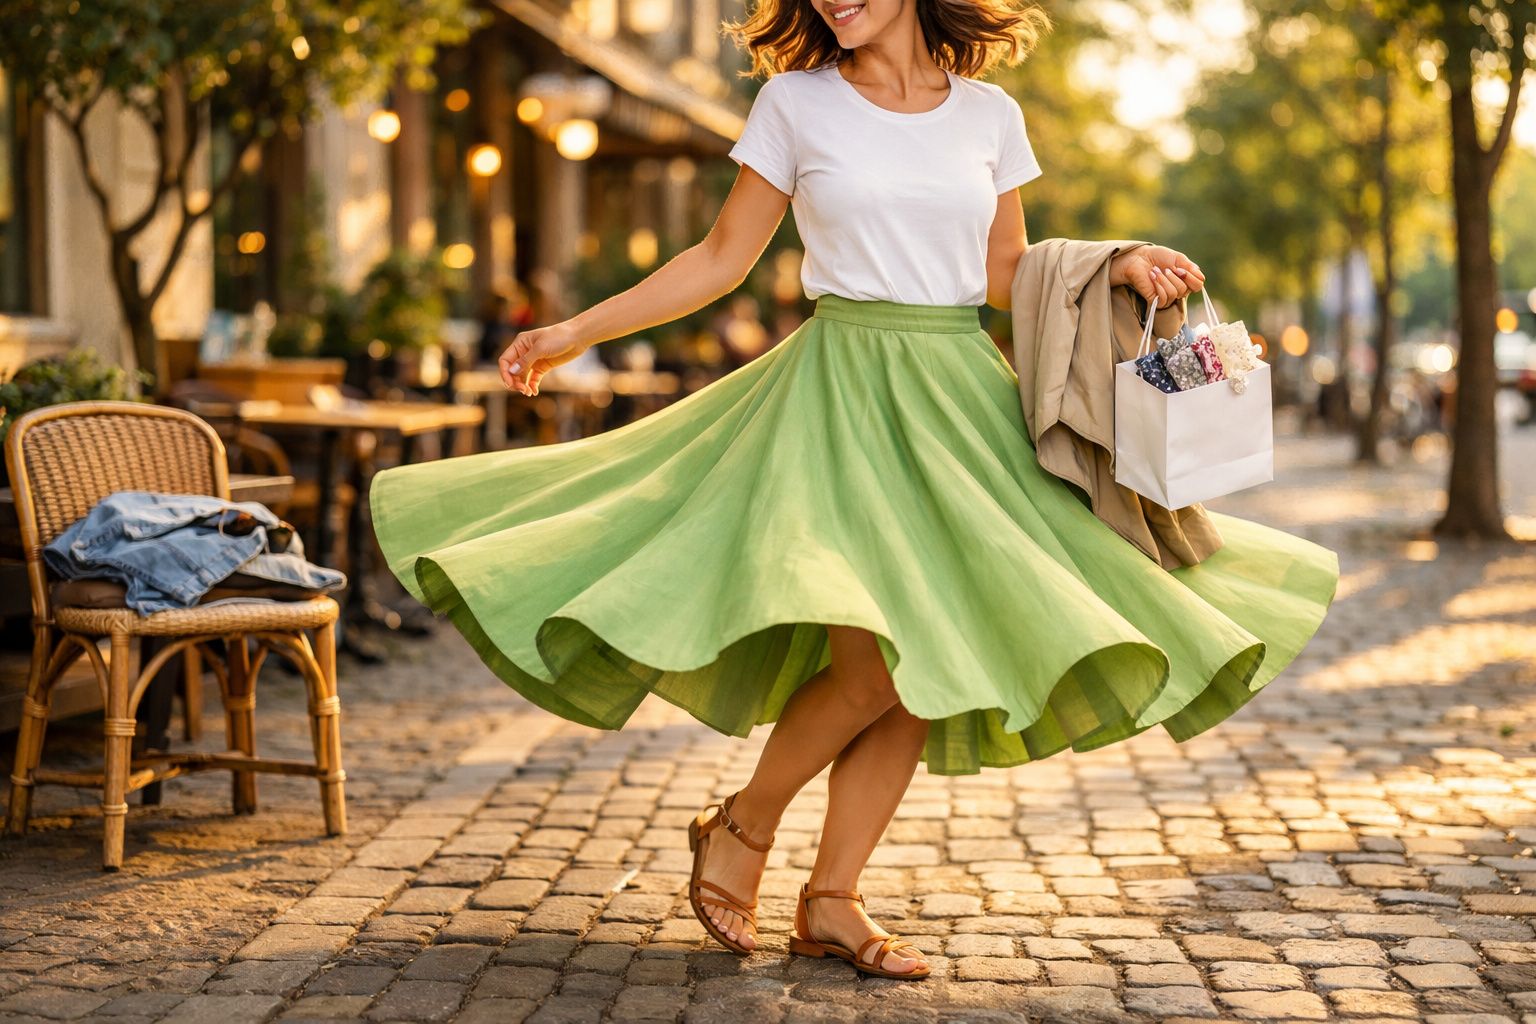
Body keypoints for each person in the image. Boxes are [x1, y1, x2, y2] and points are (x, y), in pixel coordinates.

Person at [369, 0, 1338, 981]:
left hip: (958, 400)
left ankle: (832, 898)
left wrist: (1115, 263)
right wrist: (576, 330)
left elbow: (1004, 274)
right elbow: (718, 259)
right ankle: (743, 826)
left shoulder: (991, 114)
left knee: (922, 662)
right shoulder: (795, 103)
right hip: (837, 398)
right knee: (874, 663)